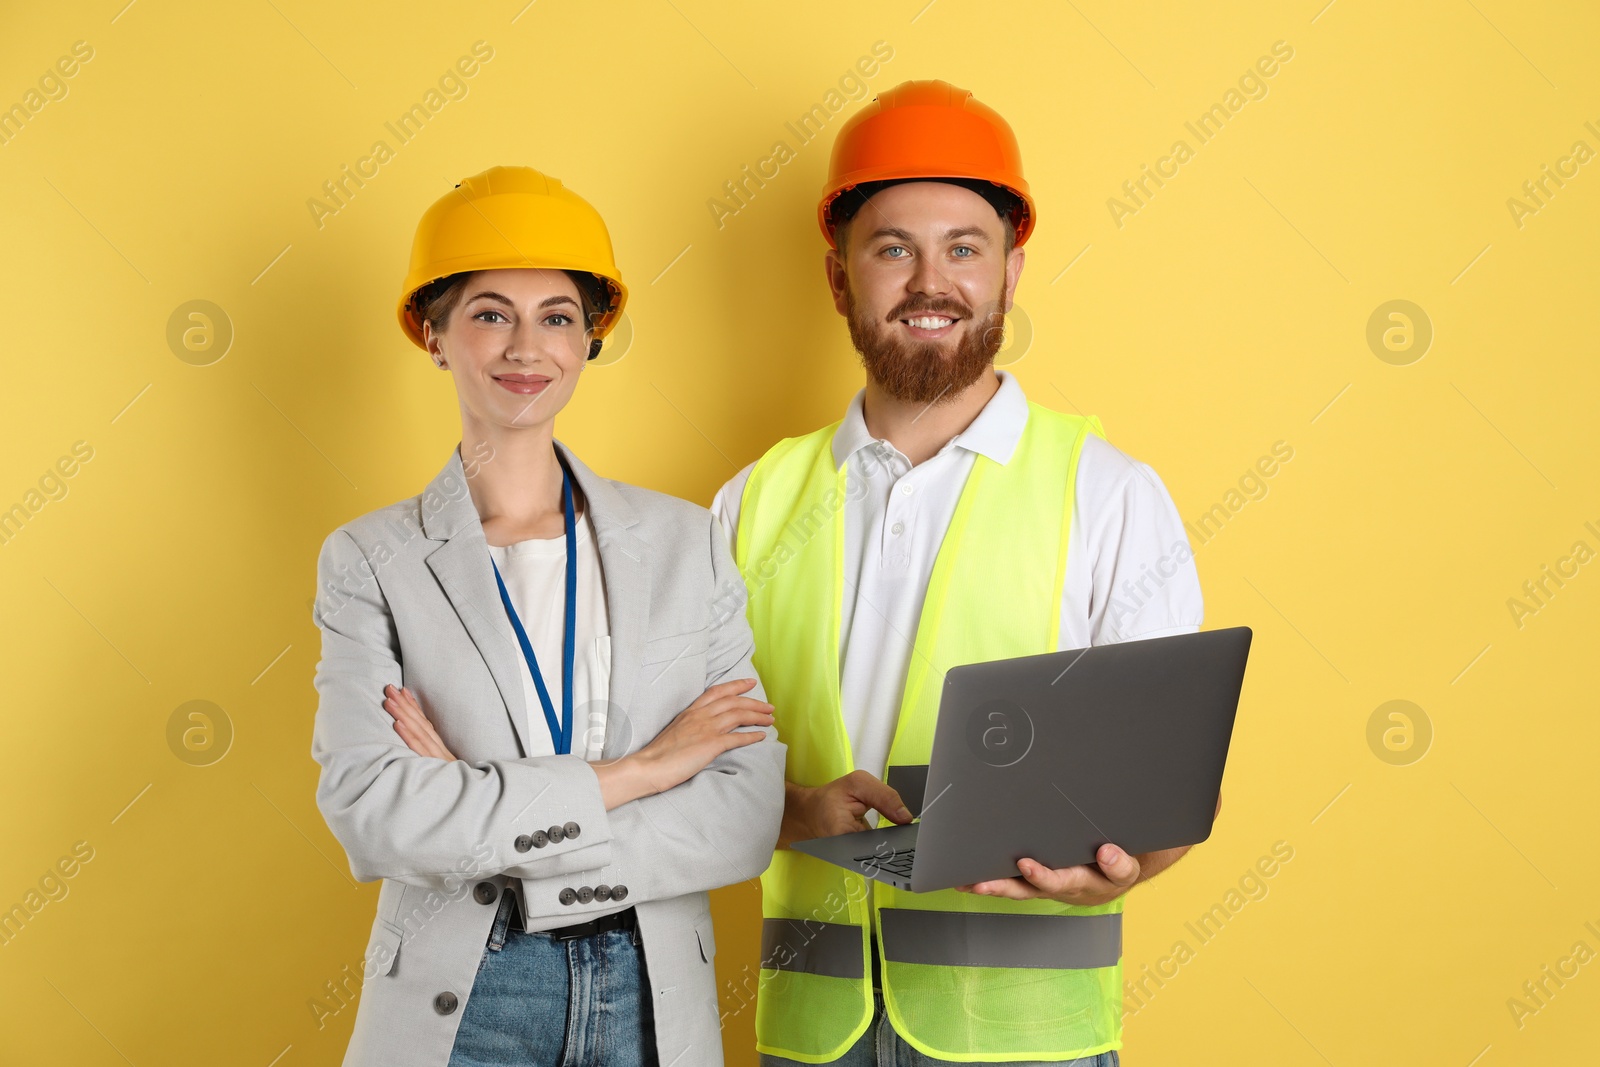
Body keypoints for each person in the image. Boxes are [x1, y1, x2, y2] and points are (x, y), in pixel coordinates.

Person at [710, 82, 1205, 1066]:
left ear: (1010, 272)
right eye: (893, 247)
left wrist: (1122, 869)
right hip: (815, 1037)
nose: (929, 280)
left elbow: (1177, 777)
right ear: (837, 277)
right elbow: (677, 764)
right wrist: (796, 808)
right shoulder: (751, 501)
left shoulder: (1106, 493)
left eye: (962, 248)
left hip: (1026, 1038)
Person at [310, 165, 785, 1067]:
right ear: (434, 333)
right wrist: (642, 770)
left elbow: (743, 812)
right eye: (490, 312)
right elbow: (372, 810)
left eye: (557, 316)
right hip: (466, 991)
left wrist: (482, 806)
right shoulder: (370, 559)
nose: (526, 346)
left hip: (648, 986)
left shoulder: (690, 542)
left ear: (589, 338)